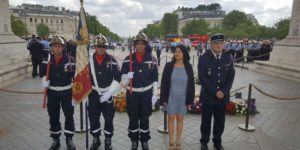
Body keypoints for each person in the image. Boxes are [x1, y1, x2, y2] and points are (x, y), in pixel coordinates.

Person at [120, 32, 158, 150]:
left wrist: (155, 94)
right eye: (138, 44)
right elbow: (122, 79)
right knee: (133, 118)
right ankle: (134, 140)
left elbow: (155, 78)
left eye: (142, 44)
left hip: (146, 93)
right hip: (133, 94)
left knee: (145, 118)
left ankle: (145, 140)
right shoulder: (128, 59)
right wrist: (127, 78)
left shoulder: (152, 59)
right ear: (135, 45)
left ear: (146, 45)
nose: (140, 46)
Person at [198, 33, 235, 150]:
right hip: (208, 97)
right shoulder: (203, 58)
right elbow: (202, 77)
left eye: (221, 43)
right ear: (211, 44)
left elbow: (231, 76)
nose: (219, 46)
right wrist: (215, 92)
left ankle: (217, 141)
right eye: (216, 43)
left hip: (222, 97)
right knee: (206, 121)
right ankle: (204, 141)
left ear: (224, 44)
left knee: (220, 121)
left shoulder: (228, 58)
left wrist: (224, 91)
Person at [41, 36, 76, 150]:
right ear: (51, 48)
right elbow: (42, 73)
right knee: (53, 116)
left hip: (66, 92)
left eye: (59, 46)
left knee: (69, 116)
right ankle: (55, 139)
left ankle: (69, 138)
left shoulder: (70, 59)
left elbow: (75, 77)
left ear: (63, 48)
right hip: (52, 93)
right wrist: (44, 80)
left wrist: (75, 95)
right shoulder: (47, 59)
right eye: (54, 46)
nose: (56, 49)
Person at [88, 34, 121, 150]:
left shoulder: (112, 60)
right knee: (93, 116)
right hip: (93, 93)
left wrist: (109, 93)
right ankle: (96, 138)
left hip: (108, 93)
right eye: (98, 46)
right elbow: (82, 77)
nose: (101, 48)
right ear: (94, 47)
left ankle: (108, 139)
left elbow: (118, 78)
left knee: (108, 118)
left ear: (106, 47)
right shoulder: (89, 60)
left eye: (103, 46)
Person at [160, 45, 195, 150]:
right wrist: (163, 99)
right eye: (176, 51)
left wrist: (190, 99)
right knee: (171, 118)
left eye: (179, 52)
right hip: (171, 96)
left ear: (184, 53)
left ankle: (178, 140)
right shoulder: (169, 66)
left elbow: (192, 84)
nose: (177, 53)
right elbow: (164, 83)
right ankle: (171, 140)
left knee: (180, 118)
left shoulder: (188, 66)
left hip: (183, 97)